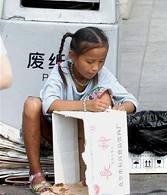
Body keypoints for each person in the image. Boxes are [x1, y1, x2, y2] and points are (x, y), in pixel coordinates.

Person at [22, 26, 138, 194]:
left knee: (106, 97)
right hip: (53, 134)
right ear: (72, 57)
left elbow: (131, 101)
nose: (95, 68)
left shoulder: (102, 75)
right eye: (90, 61)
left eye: (101, 61)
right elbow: (49, 103)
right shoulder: (61, 72)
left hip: (85, 139)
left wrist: (120, 108)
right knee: (32, 104)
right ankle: (36, 174)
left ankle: (86, 177)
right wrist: (86, 106)